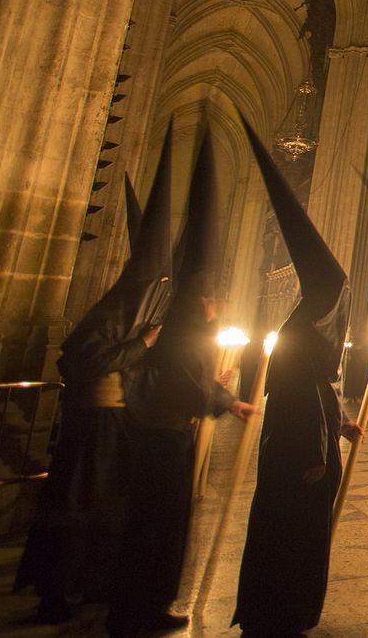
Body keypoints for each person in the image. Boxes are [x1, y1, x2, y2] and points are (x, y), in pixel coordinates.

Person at [16, 133, 174, 622]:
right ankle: (58, 591)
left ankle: (92, 581)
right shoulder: (111, 315)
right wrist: (141, 346)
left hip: (117, 425)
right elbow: (80, 362)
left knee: (109, 510)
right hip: (91, 431)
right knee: (78, 507)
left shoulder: (130, 318)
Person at [108, 130, 254, 636]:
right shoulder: (189, 322)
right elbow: (185, 379)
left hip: (165, 432)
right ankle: (139, 609)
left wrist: (221, 394)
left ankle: (139, 604)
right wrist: (226, 400)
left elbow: (190, 375)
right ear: (201, 292)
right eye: (211, 291)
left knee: (162, 523)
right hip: (164, 436)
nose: (215, 301)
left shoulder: (187, 321)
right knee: (157, 525)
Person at [233, 114, 361, 636]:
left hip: (313, 453)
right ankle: (277, 609)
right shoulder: (296, 340)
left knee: (305, 537)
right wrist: (314, 451)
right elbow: (294, 402)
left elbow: (322, 393)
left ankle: (293, 606)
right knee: (288, 534)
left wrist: (342, 424)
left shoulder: (306, 338)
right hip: (297, 463)